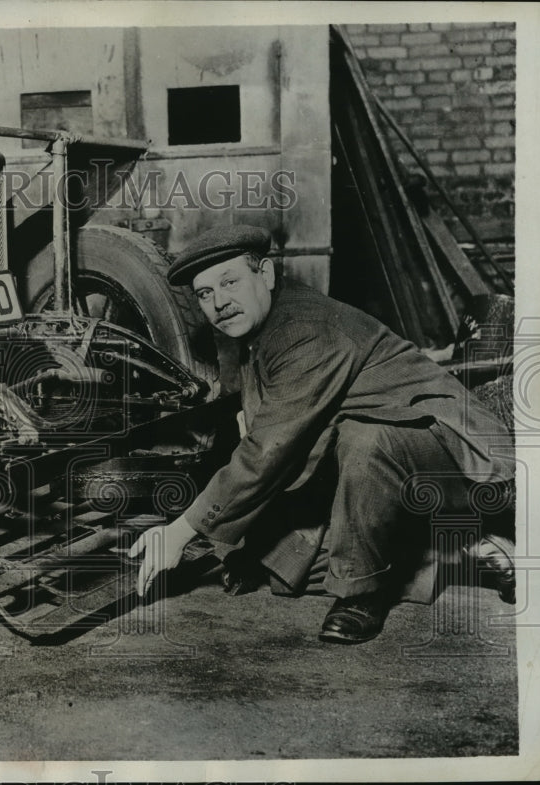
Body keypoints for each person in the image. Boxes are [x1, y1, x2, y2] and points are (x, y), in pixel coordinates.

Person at [129, 224, 516, 644]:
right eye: (205, 294)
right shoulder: (264, 330)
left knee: (365, 440)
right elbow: (285, 448)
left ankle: (361, 594)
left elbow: (267, 454)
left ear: (267, 275)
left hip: (462, 461)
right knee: (278, 563)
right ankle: (454, 554)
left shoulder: (303, 330)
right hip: (398, 466)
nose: (220, 302)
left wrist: (180, 531)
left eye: (230, 282)